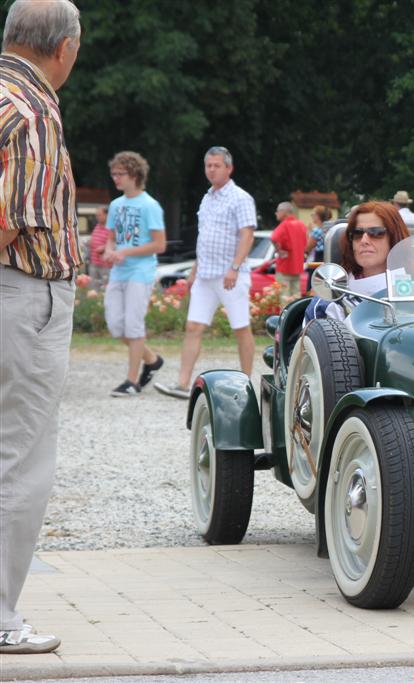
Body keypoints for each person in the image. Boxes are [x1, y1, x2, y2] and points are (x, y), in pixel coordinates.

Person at [0, 0, 81, 655]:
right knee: (21, 461)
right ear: (65, 49)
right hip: (22, 294)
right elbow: (10, 215)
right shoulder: (33, 110)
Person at [154, 146, 257, 399]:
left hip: (231, 274)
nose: (211, 170)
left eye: (216, 165)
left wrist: (234, 267)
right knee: (193, 326)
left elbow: (247, 235)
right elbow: (205, 238)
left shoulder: (241, 198)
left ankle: (247, 383)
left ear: (228, 168)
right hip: (205, 274)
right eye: (208, 165)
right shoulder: (207, 197)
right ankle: (182, 384)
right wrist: (194, 271)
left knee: (240, 327)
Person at [102, 151, 166, 397]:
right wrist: (109, 250)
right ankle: (152, 359)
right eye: (114, 173)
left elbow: (159, 245)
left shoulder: (150, 205)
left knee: (133, 327)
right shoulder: (116, 205)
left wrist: (126, 252)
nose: (115, 178)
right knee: (116, 326)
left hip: (141, 272)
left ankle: (132, 382)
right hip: (119, 272)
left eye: (120, 174)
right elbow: (110, 238)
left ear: (135, 175)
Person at [304, 201, 410, 323]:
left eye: (376, 232)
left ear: (394, 237)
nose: (364, 240)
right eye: (357, 233)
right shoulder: (329, 302)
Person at [270, 201, 307, 301]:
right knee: (296, 297)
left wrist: (279, 250)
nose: (276, 213)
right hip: (297, 267)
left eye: (277, 211)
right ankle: (296, 317)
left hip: (284, 266)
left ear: (284, 212)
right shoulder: (301, 225)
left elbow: (273, 237)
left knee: (284, 298)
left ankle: (285, 317)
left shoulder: (284, 225)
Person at [87, 205, 111, 287]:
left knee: (105, 288)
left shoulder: (112, 229)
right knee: (93, 289)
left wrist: (104, 248)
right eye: (96, 215)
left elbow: (116, 243)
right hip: (94, 263)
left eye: (99, 215)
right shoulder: (97, 227)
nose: (97, 217)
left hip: (106, 265)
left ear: (107, 215)